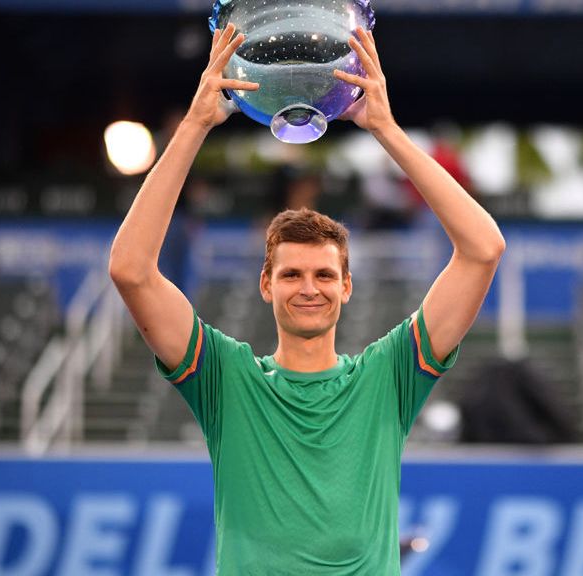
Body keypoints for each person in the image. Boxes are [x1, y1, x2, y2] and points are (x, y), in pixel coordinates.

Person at [108, 24, 505, 575]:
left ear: (346, 285)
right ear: (266, 284)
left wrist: (386, 129)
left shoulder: (388, 376)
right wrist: (196, 124)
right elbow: (130, 271)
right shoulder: (225, 378)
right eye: (292, 274)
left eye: (324, 274)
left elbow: (483, 249)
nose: (309, 288)